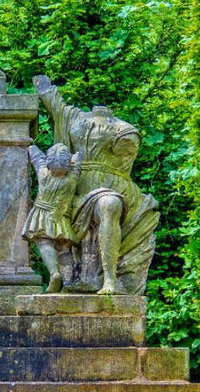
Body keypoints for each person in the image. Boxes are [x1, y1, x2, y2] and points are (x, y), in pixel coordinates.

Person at [33, 75, 159, 295]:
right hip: (75, 190)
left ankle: (109, 280)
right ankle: (68, 277)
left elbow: (127, 146)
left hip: (112, 188)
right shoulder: (74, 117)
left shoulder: (123, 128)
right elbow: (55, 104)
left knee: (110, 204)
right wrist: (43, 85)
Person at [22, 143, 81, 293]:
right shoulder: (72, 178)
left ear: (49, 161)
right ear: (68, 162)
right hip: (61, 217)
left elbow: (35, 155)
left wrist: (30, 145)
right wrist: (74, 157)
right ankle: (68, 282)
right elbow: (78, 160)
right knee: (64, 248)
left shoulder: (43, 174)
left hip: (42, 215)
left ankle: (55, 273)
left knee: (44, 243)